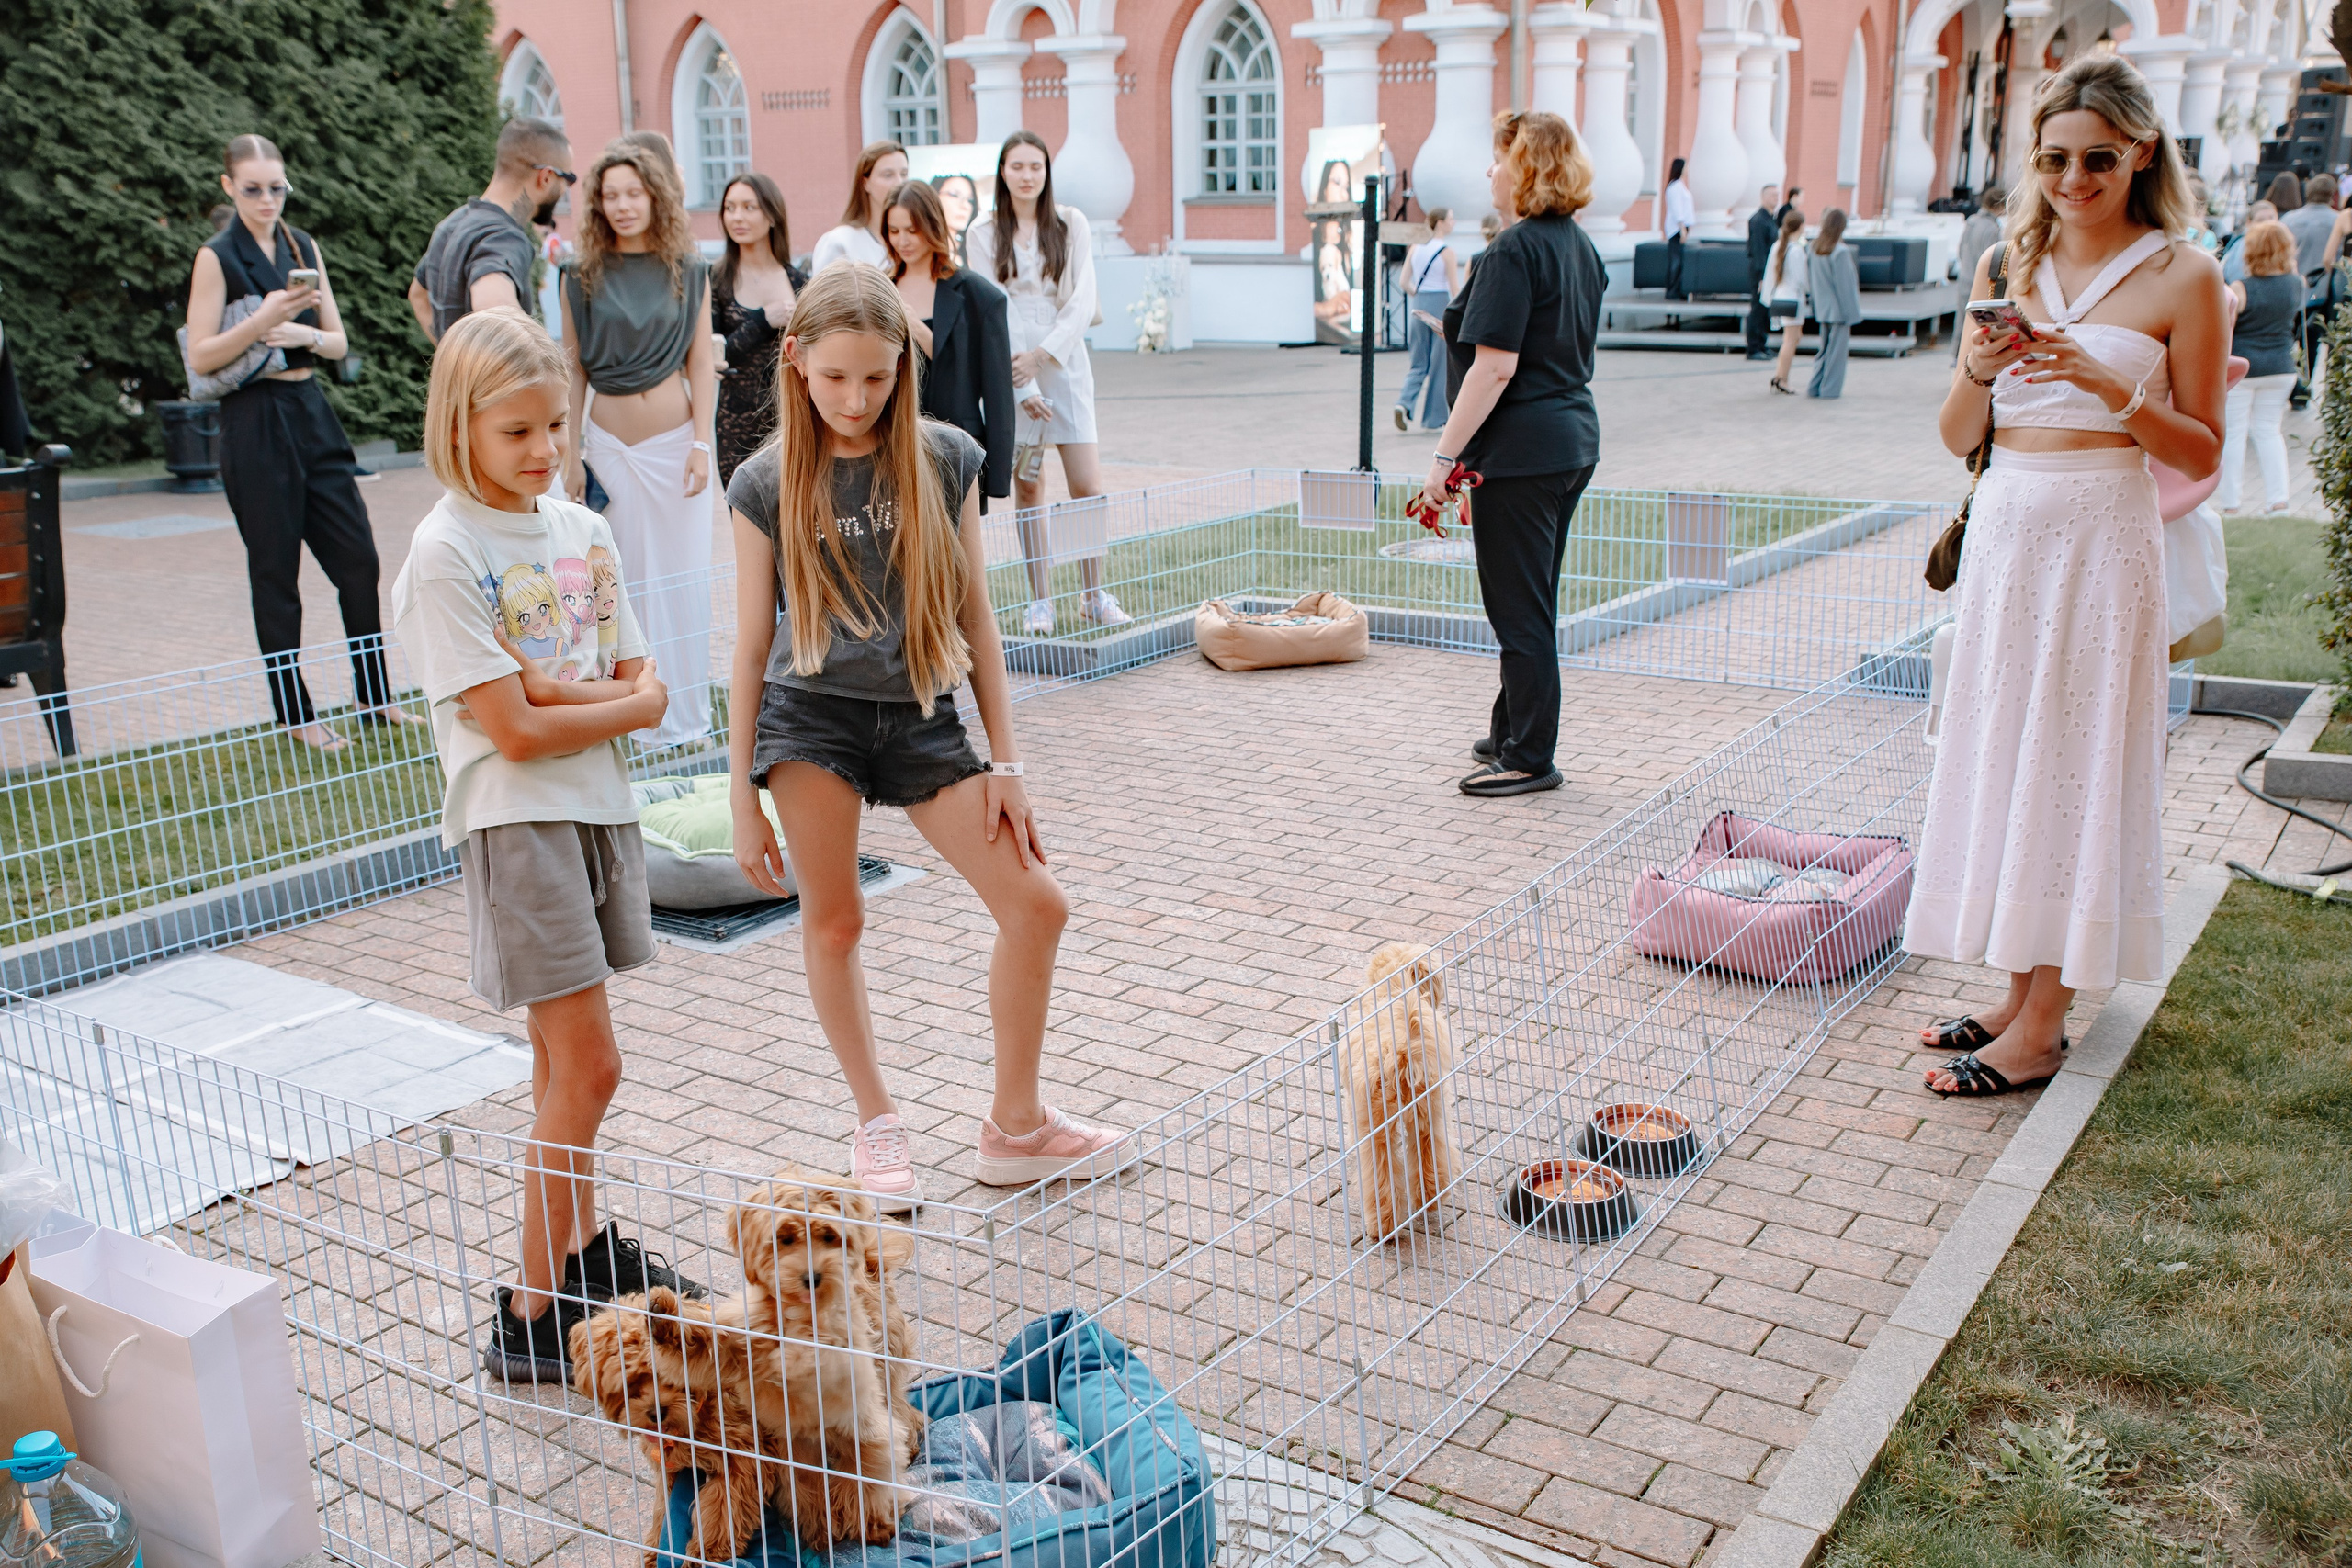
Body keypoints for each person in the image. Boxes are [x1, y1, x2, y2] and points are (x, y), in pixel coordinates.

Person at [724, 265, 1129, 1208]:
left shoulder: (947, 455)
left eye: (875, 378)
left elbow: (979, 619)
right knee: (836, 922)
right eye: (834, 380)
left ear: (903, 366)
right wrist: (740, 795)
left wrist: (1007, 764)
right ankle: (877, 1123)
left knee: (1037, 905)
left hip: (920, 712)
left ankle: (1017, 1128)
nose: (856, 400)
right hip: (808, 716)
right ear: (796, 364)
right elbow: (748, 647)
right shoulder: (761, 480)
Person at [390, 306, 695, 1382]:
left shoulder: (584, 531)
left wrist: (559, 694)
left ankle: (573, 1254)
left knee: (557, 1065)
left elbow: (644, 691)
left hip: (596, 808)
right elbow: (511, 734)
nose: (543, 450)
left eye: (555, 426)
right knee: (595, 1066)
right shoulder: (444, 553)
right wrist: (584, 701)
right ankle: (532, 1313)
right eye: (516, 431)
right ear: (460, 426)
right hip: (515, 823)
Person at [1911, 53, 2224, 1099]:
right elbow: (1960, 433)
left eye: (2096, 158)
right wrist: (1980, 368)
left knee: (2073, 760)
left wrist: (2103, 380)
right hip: (2008, 532)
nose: (2073, 179)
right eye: (2052, 159)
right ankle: (2013, 992)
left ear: (2139, 152)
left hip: (2102, 539)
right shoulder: (2005, 261)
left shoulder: (2184, 275)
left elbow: (2200, 454)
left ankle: (2045, 1024)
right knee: (2008, 751)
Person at [184, 133, 408, 751]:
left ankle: (374, 695)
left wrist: (301, 335)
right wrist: (262, 323)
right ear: (228, 186)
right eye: (252, 189)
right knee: (276, 571)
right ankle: (295, 711)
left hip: (310, 408)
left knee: (358, 560)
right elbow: (200, 357)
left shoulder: (301, 244)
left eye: (276, 188)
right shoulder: (216, 256)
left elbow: (336, 342)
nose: (266, 199)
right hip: (252, 419)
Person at [1419, 109, 1604, 799]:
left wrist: (1444, 458)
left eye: (1499, 160)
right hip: (1568, 441)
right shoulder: (1578, 247)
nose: (1489, 172)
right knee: (1531, 599)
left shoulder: (1514, 250)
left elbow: (1493, 369)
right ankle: (1511, 729)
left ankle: (1529, 754)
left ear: (1524, 169)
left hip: (1524, 452)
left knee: (1518, 609)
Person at [560, 139, 718, 749]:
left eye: (634, 193)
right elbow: (572, 366)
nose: (623, 205)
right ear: (598, 204)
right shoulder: (578, 274)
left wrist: (702, 443)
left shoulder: (689, 267)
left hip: (676, 448)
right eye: (611, 195)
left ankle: (686, 720)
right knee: (617, 582)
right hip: (607, 448)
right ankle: (630, 717)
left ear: (654, 198)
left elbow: (701, 363)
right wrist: (571, 449)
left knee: (683, 579)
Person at [966, 131, 1131, 635]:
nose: (1027, 175)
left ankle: (1093, 593)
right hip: (1011, 366)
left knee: (1087, 485)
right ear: (1002, 171)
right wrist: (1023, 383)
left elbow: (1083, 299)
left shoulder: (1071, 222)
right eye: (1017, 166)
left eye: (1035, 166)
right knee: (1029, 484)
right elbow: (994, 307)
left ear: (1046, 171)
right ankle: (1041, 599)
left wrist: (1044, 357)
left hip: (1065, 363)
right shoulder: (982, 231)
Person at [886, 179, 1015, 508]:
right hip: (892, 443)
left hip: (955, 447)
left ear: (932, 225)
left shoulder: (977, 294)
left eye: (912, 230)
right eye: (894, 230)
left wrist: (997, 474)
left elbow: (997, 390)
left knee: (957, 555)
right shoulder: (881, 289)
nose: (902, 241)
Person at [409, 118, 573, 344]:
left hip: (457, 379)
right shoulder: (504, 238)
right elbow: (493, 307)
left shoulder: (453, 224)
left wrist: (450, 360)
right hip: (496, 381)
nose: (565, 189)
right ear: (545, 177)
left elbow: (418, 296)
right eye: (567, 178)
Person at [712, 172, 805, 484]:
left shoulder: (799, 282)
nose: (737, 217)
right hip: (736, 424)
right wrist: (762, 321)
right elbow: (715, 355)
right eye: (730, 207)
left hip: (793, 419)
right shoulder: (715, 280)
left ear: (772, 215)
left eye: (749, 207)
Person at [2220, 218, 2301, 513]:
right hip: (2282, 367)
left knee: (2235, 434)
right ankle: (2278, 501)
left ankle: (2231, 504)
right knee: (2269, 431)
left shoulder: (2241, 288)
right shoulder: (2296, 284)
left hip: (2244, 368)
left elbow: (2226, 326)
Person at [1396, 208, 1464, 429]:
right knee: (1439, 364)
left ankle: (1404, 402)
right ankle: (1434, 419)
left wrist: (1419, 295)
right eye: (1451, 218)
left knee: (1418, 362)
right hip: (1440, 306)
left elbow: (1404, 282)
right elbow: (1455, 288)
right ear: (1441, 223)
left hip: (1419, 305)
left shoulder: (1416, 247)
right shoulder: (1447, 252)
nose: (1454, 222)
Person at [2282, 171, 2339, 405]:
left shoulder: (2289, 219)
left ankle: (2285, 386)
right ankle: (2302, 393)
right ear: (2332, 195)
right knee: (2311, 343)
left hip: (2290, 289)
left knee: (2285, 340)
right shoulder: (2338, 221)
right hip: (2321, 292)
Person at [811, 141, 908, 272]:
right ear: (865, 182)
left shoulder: (913, 240)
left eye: (904, 174)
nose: (899, 182)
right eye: (888, 175)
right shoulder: (839, 242)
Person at [1806, 209, 1861, 398]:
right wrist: (1852, 314)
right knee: (1837, 354)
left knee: (1824, 351)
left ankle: (1815, 387)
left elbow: (1812, 282)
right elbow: (1845, 287)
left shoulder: (1813, 248)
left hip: (1822, 308)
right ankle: (1830, 391)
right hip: (1839, 311)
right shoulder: (1840, 252)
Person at [1762, 207, 1809, 394]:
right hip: (1793, 299)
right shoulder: (1796, 250)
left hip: (1781, 296)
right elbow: (1802, 280)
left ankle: (1780, 376)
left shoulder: (1778, 246)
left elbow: (1769, 276)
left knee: (1792, 338)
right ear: (1801, 226)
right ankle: (1782, 378)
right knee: (1790, 340)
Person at [1745, 185, 1781, 360]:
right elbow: (1758, 250)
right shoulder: (1758, 220)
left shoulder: (1770, 219)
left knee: (1765, 309)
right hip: (1761, 273)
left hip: (1769, 272)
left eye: (1777, 195)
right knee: (1758, 309)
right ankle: (1753, 348)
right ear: (1763, 197)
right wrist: (1761, 277)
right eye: (1772, 195)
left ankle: (1762, 344)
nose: (1776, 198)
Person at [1955, 186, 2005, 290]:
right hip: (1980, 285)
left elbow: (1960, 250)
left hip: (1964, 280)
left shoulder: (1971, 221)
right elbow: (1993, 261)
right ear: (1999, 205)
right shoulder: (1993, 228)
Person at [2222, 198, 2278, 283]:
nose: (2267, 224)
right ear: (2249, 223)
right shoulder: (2243, 244)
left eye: (2271, 218)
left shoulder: (2280, 243)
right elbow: (2235, 275)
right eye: (2261, 220)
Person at [1662, 157, 1695, 300]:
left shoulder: (1680, 185)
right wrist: (1682, 227)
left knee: (1680, 260)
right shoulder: (1675, 187)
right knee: (1676, 260)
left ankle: (1678, 289)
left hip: (1682, 227)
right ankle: (1672, 290)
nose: (1687, 170)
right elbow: (1677, 209)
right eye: (1686, 167)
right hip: (1676, 229)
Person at [934, 173, 982, 261]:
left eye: (970, 200)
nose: (965, 206)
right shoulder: (921, 250)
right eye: (954, 195)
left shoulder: (973, 253)